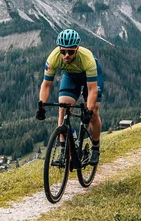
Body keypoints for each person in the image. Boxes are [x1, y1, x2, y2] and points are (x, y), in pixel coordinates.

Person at [35, 29, 104, 165]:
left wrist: (88, 111)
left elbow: (92, 89)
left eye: (70, 52)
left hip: (90, 79)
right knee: (63, 108)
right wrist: (42, 106)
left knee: (94, 112)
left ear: (77, 49)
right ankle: (63, 153)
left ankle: (95, 148)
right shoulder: (53, 58)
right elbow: (46, 85)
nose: (66, 55)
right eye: (63, 52)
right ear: (59, 49)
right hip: (71, 77)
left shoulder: (87, 58)